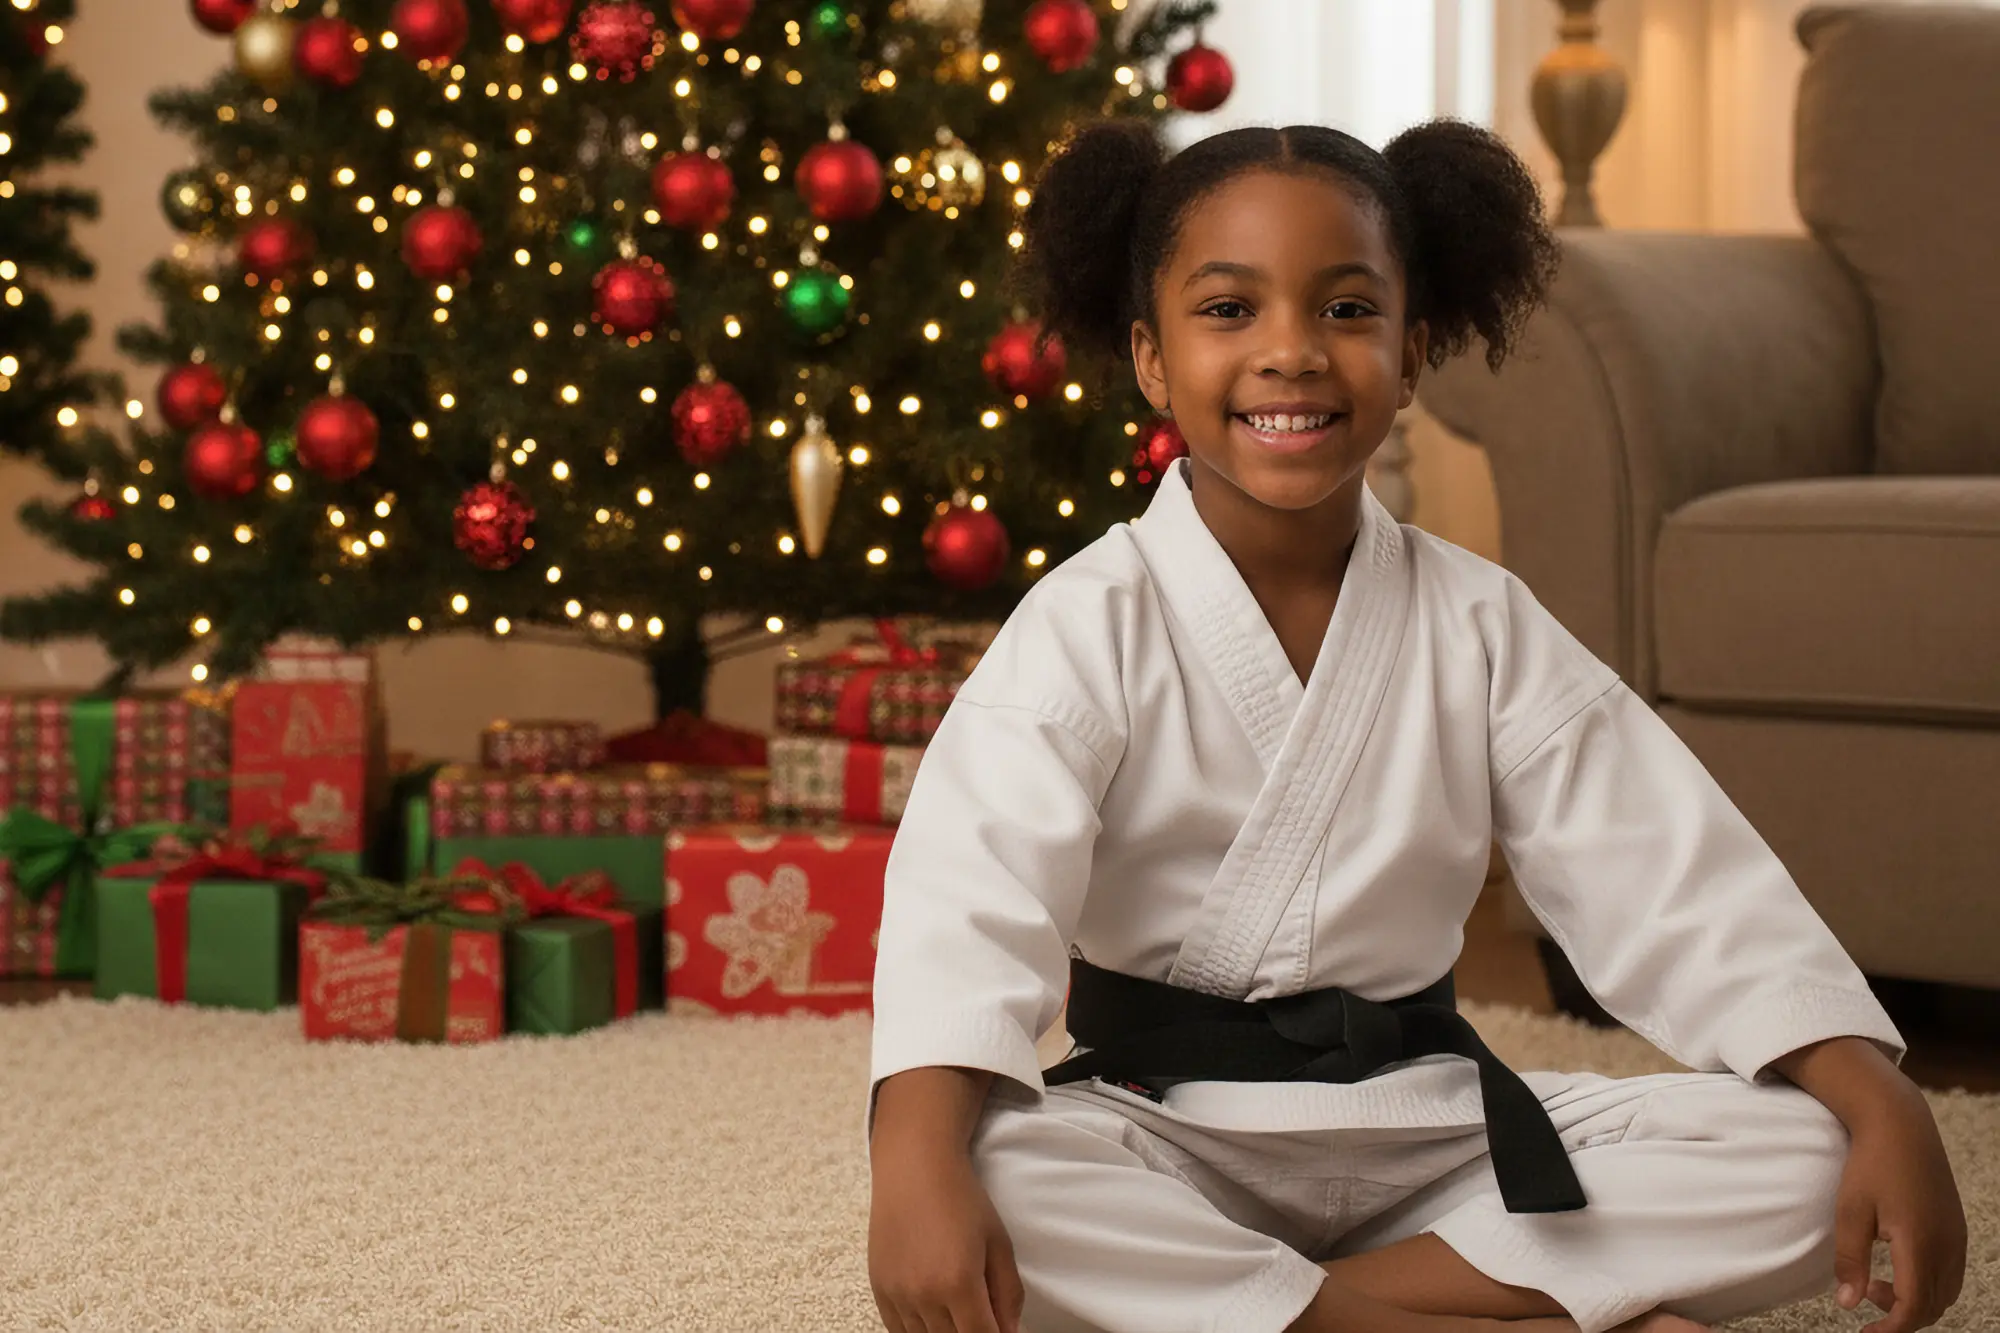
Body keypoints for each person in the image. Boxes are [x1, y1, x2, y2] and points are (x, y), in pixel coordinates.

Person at [864, 118, 1966, 1333]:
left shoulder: (1478, 620)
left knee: (1805, 1155)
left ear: (1415, 347)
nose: (1290, 353)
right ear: (1149, 357)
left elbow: (1667, 869)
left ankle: (1300, 1312)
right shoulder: (1085, 622)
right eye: (1227, 311)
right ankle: (1481, 1316)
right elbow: (967, 897)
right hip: (1164, 1121)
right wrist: (916, 1164)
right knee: (1001, 1174)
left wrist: (1877, 1100)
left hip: (1425, 1131)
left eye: (1345, 310)